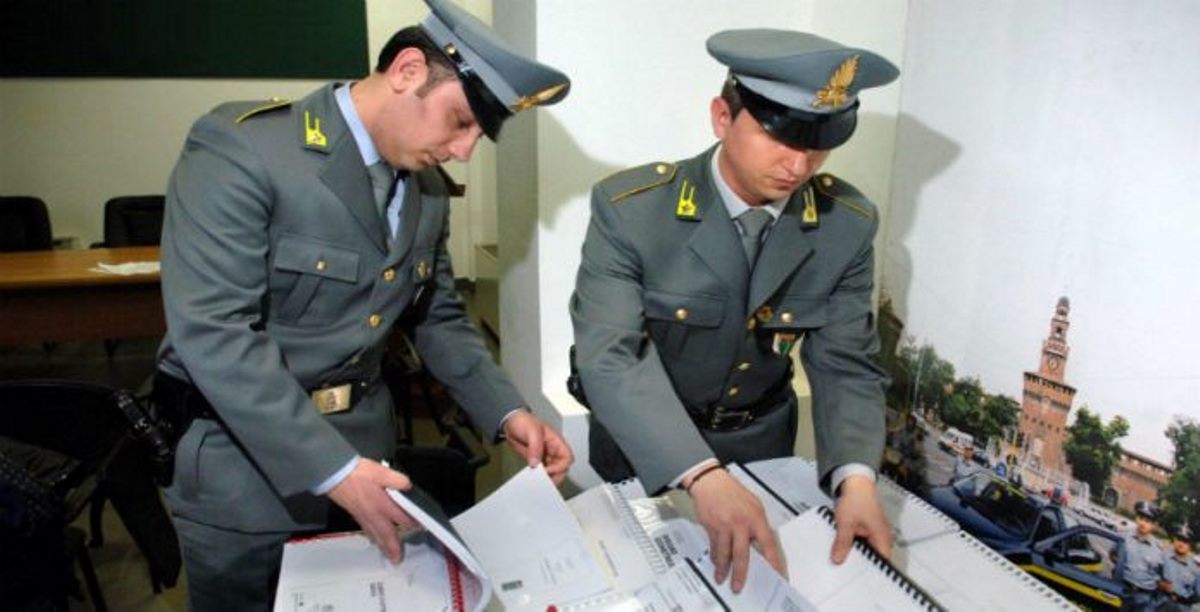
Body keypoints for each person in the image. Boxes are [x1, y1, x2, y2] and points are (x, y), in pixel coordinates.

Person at [153, 0, 574, 608]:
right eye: (460, 121)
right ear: (407, 71)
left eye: (479, 135)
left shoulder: (426, 189)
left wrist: (508, 412)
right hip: (244, 470)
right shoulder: (244, 148)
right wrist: (334, 470)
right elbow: (215, 332)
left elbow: (436, 317)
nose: (464, 151)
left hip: (368, 458)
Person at [570, 28, 899, 593]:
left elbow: (847, 362)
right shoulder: (633, 211)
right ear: (722, 117)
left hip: (760, 453)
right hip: (647, 451)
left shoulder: (845, 224)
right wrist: (700, 474)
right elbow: (610, 356)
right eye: (780, 136)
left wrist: (856, 478)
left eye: (819, 143)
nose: (798, 163)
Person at [1118, 504, 1167, 610]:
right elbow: (1113, 555)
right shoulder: (1124, 537)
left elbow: (1162, 575)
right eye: (1140, 518)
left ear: (1154, 525)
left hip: (1145, 597)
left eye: (1148, 521)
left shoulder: (1159, 549)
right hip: (1122, 588)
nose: (1142, 523)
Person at [1162, 530, 1198, 611]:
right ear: (1175, 541)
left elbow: (1197, 594)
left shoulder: (1195, 570)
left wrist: (1182, 599)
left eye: (1185, 542)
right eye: (1179, 540)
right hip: (1161, 602)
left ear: (1190, 546)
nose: (1181, 544)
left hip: (1182, 607)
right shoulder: (1164, 557)